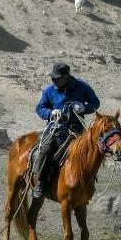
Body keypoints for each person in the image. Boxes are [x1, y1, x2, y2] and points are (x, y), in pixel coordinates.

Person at [31, 62, 100, 199]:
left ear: (67, 76)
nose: (54, 80)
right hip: (55, 128)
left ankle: (89, 183)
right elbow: (40, 108)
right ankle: (40, 183)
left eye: (57, 78)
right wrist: (50, 113)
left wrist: (84, 108)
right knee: (45, 150)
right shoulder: (49, 91)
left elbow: (95, 103)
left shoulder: (82, 87)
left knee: (92, 151)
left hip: (77, 129)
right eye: (53, 78)